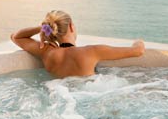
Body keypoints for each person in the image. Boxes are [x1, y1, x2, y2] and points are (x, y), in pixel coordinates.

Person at [10, 10, 145, 78]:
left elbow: (15, 37)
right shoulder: (92, 51)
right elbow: (138, 51)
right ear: (71, 27)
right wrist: (138, 41)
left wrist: (42, 28)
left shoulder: (46, 52)